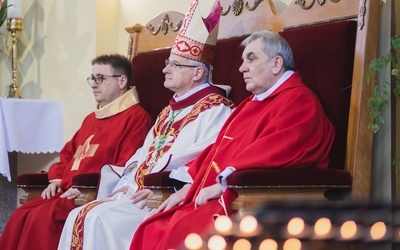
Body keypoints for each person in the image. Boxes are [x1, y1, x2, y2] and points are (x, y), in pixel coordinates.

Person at [129, 30, 336, 250]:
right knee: (152, 227)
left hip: (251, 198)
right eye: (242, 60)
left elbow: (278, 149)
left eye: (251, 58)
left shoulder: (299, 101)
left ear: (276, 64)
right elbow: (216, 150)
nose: (242, 68)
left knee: (178, 233)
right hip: (218, 196)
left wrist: (221, 184)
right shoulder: (250, 104)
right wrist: (190, 185)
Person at [57, 1, 235, 249]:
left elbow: (206, 160)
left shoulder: (216, 110)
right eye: (167, 63)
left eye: (174, 64)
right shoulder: (169, 110)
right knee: (79, 215)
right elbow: (144, 155)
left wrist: (164, 187)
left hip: (166, 197)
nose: (165, 69)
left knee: (97, 218)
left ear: (197, 73)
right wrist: (126, 186)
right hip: (139, 193)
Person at [0, 54, 153, 250]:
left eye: (100, 78)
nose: (93, 84)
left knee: (42, 218)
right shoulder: (92, 118)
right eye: (92, 78)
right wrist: (56, 180)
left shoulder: (136, 118)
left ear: (122, 81)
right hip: (66, 192)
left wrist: (88, 187)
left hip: (92, 194)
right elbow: (69, 153)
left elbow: (127, 167)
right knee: (21, 215)